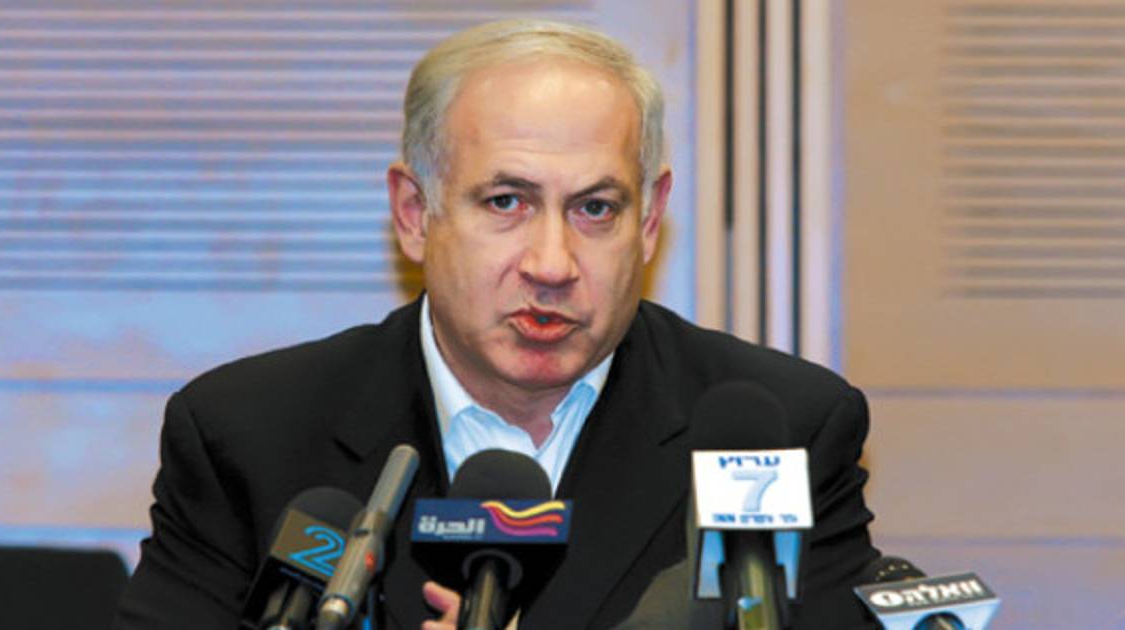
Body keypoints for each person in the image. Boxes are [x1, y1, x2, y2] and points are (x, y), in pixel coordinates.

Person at [113, 19, 879, 630]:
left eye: (595, 208)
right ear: (414, 214)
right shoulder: (249, 434)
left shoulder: (785, 431)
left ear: (648, 223)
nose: (552, 263)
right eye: (506, 202)